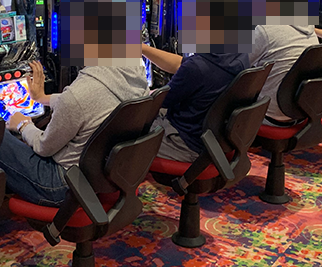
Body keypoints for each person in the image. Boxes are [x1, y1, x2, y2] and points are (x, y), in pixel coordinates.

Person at [0, 61, 149, 206]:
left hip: (62, 185)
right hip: (108, 174)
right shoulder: (135, 69)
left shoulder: (78, 94)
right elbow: (91, 100)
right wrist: (42, 98)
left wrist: (23, 125)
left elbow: (43, 147)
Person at [143, 45, 249, 163]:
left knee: (129, 132)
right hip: (213, 140)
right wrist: (142, 48)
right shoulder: (238, 55)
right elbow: (181, 64)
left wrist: (143, 92)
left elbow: (159, 101)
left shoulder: (198, 67)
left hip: (185, 144)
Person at [248, 25, 319, 126]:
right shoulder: (310, 30)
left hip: (271, 114)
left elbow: (237, 64)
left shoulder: (264, 30)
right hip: (304, 109)